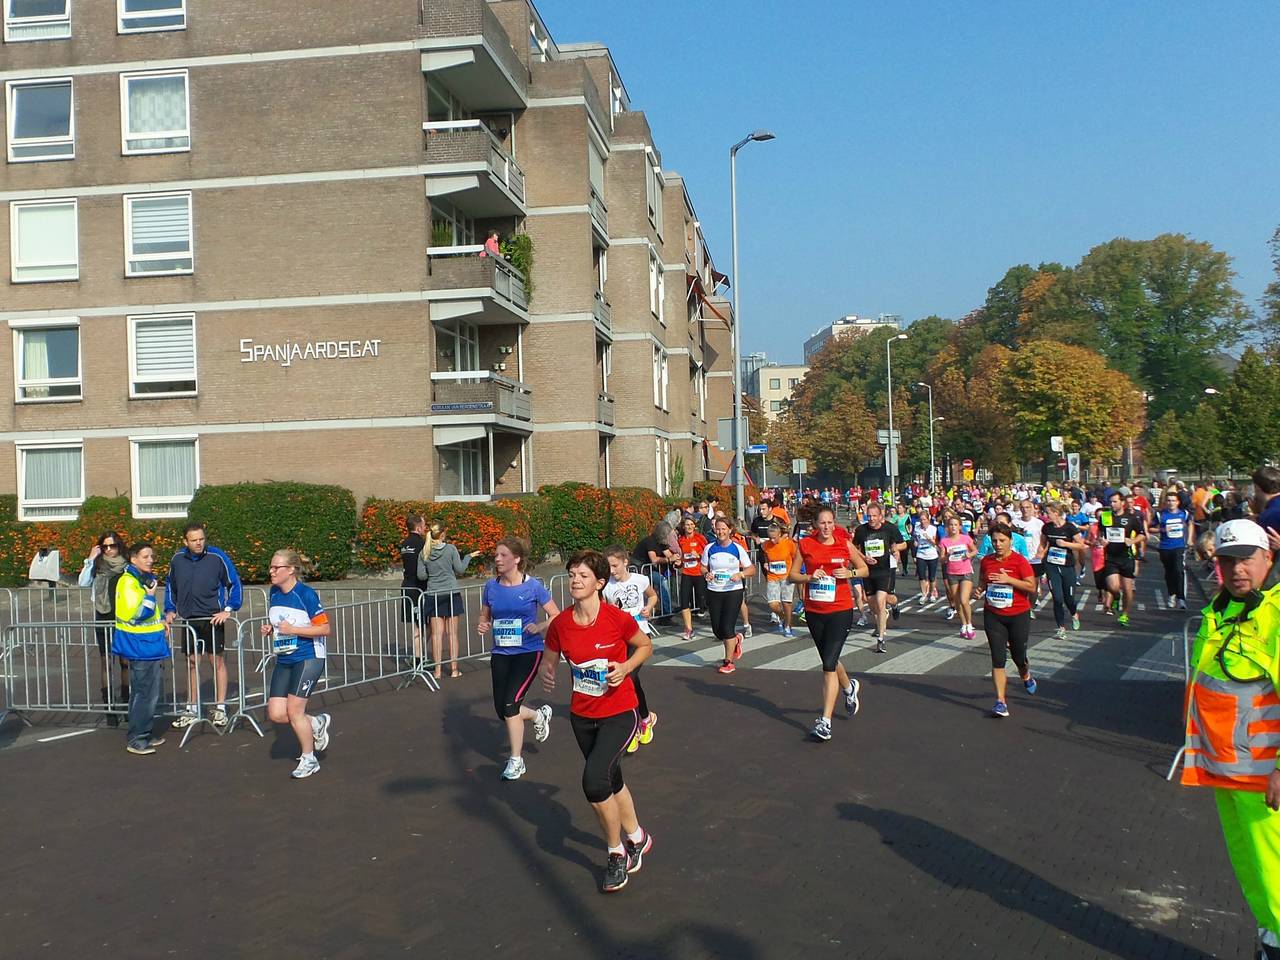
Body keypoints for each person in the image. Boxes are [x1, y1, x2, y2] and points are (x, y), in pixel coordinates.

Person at [1178, 520, 1280, 959]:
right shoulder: (1217, 613)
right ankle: (1270, 940)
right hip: (1223, 769)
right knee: (1252, 871)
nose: (1237, 569)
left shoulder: (1274, 616)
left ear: (1268, 560)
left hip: (1264, 779)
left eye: (1247, 559)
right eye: (1227, 559)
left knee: (1274, 873)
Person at [541, 550, 654, 894]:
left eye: (583, 575)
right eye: (572, 574)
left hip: (620, 712)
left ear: (600, 583)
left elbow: (644, 645)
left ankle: (615, 850)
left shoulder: (616, 619)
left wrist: (626, 668)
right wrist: (549, 672)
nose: (575, 580)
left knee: (594, 782)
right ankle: (638, 837)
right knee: (612, 778)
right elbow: (551, 655)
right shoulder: (561, 624)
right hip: (583, 716)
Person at [478, 537, 559, 781]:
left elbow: (556, 615)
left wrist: (541, 625)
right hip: (501, 653)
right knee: (502, 710)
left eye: (503, 555)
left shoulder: (533, 586)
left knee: (511, 705)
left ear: (517, 559)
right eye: (496, 555)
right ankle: (538, 715)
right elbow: (484, 616)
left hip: (528, 652)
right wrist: (483, 625)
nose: (497, 559)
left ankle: (516, 760)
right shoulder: (491, 586)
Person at [789, 506, 870, 741]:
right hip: (815, 610)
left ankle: (825, 722)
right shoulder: (805, 545)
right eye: (822, 523)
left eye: (830, 523)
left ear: (835, 524)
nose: (826, 527)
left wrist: (850, 574)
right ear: (815, 524)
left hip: (840, 610)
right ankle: (849, 687)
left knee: (827, 665)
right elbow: (792, 575)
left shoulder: (844, 544)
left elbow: (864, 569)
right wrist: (808, 577)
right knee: (830, 658)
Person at [165, 522, 243, 729]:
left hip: (212, 618)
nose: (199, 543)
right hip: (189, 619)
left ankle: (220, 708)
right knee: (192, 663)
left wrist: (228, 609)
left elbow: (234, 583)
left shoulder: (217, 557)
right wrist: (170, 610)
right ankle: (191, 709)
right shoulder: (177, 559)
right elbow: (170, 587)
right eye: (194, 540)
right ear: (185, 541)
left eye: (201, 539)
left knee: (216, 661)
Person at [261, 549, 331, 779]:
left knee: (294, 711)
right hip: (285, 657)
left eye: (276, 568)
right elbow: (281, 620)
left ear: (290, 570)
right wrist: (270, 628)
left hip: (308, 657)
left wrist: (295, 630)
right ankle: (317, 723)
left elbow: (325, 628)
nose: (271, 571)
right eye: (270, 567)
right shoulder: (273, 592)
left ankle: (309, 759)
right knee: (277, 714)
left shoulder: (306, 594)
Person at [112, 542, 169, 755]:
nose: (150, 560)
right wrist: (151, 596)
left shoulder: (139, 580)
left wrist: (162, 620)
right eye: (145, 556)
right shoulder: (128, 582)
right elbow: (136, 614)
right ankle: (137, 738)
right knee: (143, 693)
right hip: (140, 646)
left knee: (147, 692)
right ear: (133, 559)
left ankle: (144, 732)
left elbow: (151, 613)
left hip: (149, 645)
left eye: (151, 556)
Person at [978, 523, 1038, 719]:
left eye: (1002, 540)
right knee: (997, 657)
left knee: (1018, 656)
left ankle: (1026, 675)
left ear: (1010, 541)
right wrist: (979, 590)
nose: (998, 544)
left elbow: (1031, 587)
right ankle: (1000, 701)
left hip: (1018, 615)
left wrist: (1009, 580)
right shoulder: (987, 561)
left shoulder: (1019, 561)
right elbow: (983, 581)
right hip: (993, 614)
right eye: (994, 540)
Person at [603, 546, 659, 753]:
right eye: (608, 567)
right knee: (625, 681)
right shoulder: (607, 586)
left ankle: (641, 722)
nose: (612, 571)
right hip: (619, 638)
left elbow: (653, 596)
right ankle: (641, 719)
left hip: (641, 635)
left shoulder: (640, 580)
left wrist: (649, 607)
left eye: (615, 566)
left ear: (625, 562)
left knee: (630, 677)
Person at [78, 531, 129, 723]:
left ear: (119, 546)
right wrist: (90, 559)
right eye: (105, 546)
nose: (109, 550)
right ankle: (109, 708)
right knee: (106, 661)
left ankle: (126, 703)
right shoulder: (97, 565)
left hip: (123, 617)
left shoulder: (127, 564)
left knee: (125, 661)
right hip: (103, 615)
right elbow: (82, 583)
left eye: (113, 546)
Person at [418, 522, 476, 680]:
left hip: (433, 594)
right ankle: (454, 669)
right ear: (442, 535)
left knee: (437, 634)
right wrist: (468, 557)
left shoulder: (424, 552)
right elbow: (460, 569)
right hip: (450, 592)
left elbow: (421, 576)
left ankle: (437, 671)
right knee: (452, 634)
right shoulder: (451, 549)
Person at [702, 517, 756, 674]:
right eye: (718, 529)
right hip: (714, 590)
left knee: (727, 627)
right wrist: (707, 574)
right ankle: (737, 639)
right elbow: (703, 567)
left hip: (733, 591)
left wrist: (740, 574)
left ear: (730, 530)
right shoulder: (709, 548)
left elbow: (751, 569)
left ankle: (728, 661)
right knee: (718, 631)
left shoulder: (737, 549)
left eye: (724, 529)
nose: (720, 532)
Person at [853, 503, 906, 653]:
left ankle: (881, 639)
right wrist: (863, 557)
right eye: (868, 516)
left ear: (880, 516)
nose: (871, 519)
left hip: (884, 570)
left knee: (880, 601)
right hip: (868, 572)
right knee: (873, 604)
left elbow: (903, 544)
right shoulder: (861, 530)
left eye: (874, 516)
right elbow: (854, 548)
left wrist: (895, 549)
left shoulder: (889, 528)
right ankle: (895, 605)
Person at [1038, 502, 1087, 638]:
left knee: (1069, 598)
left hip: (1067, 566)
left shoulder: (1070, 528)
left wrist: (1065, 544)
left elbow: (1081, 545)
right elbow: (1042, 544)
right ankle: (1061, 627)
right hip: (1051, 565)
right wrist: (1040, 554)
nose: (1046, 516)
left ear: (1056, 513)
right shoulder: (1047, 528)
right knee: (1057, 598)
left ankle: (1074, 613)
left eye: (1048, 513)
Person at [1099, 492, 1146, 627]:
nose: (1112, 504)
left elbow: (1142, 535)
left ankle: (1125, 614)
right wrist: (1101, 540)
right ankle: (1116, 596)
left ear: (1122, 502)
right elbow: (1100, 534)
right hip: (1111, 557)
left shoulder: (1131, 518)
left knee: (1127, 589)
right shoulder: (1105, 516)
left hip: (1126, 557)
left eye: (1115, 502)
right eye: (1111, 502)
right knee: (1113, 586)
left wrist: (1132, 541)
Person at [1151, 490, 1193, 610]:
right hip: (1165, 547)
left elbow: (1190, 524)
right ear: (1165, 502)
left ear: (1178, 502)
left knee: (1179, 570)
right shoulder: (1161, 515)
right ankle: (1171, 594)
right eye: (1169, 501)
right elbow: (1150, 528)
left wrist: (1189, 539)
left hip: (1179, 546)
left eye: (1173, 501)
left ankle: (1181, 599)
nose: (1171, 503)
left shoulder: (1184, 513)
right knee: (1169, 572)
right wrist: (1161, 530)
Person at [938, 515, 978, 638]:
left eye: (956, 525)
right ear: (947, 528)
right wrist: (947, 555)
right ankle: (963, 624)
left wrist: (969, 555)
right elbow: (942, 559)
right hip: (952, 573)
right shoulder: (944, 541)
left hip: (965, 572)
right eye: (951, 525)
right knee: (957, 601)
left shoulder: (966, 538)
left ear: (960, 526)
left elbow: (975, 551)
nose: (953, 527)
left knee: (964, 599)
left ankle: (970, 624)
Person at [399, 514, 429, 667]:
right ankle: (418, 658)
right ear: (418, 527)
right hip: (419, 587)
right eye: (424, 525)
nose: (425, 528)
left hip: (407, 585)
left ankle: (417, 657)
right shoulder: (421, 544)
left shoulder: (404, 544)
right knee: (428, 623)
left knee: (417, 624)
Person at [761, 521, 799, 637]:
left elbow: (796, 558)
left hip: (786, 576)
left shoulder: (788, 544)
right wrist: (766, 564)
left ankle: (787, 626)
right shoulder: (766, 545)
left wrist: (794, 572)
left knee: (786, 603)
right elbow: (765, 557)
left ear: (779, 535)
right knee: (773, 604)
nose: (772, 540)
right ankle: (784, 618)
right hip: (772, 576)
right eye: (770, 538)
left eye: (774, 538)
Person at [674, 516, 708, 641]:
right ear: (683, 526)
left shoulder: (700, 538)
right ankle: (688, 629)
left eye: (691, 524)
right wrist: (678, 562)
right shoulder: (681, 540)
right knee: (684, 601)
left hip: (699, 573)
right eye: (687, 525)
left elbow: (709, 553)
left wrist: (699, 555)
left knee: (702, 600)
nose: (689, 527)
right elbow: (681, 556)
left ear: (695, 526)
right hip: (687, 573)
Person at [912, 512, 941, 603]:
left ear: (928, 519)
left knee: (931, 576)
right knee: (921, 576)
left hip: (932, 555)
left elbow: (935, 543)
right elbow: (916, 540)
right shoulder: (917, 528)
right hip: (921, 554)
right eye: (921, 519)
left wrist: (928, 538)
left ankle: (932, 593)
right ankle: (924, 594)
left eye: (924, 519)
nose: (922, 521)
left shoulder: (933, 528)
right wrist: (915, 543)